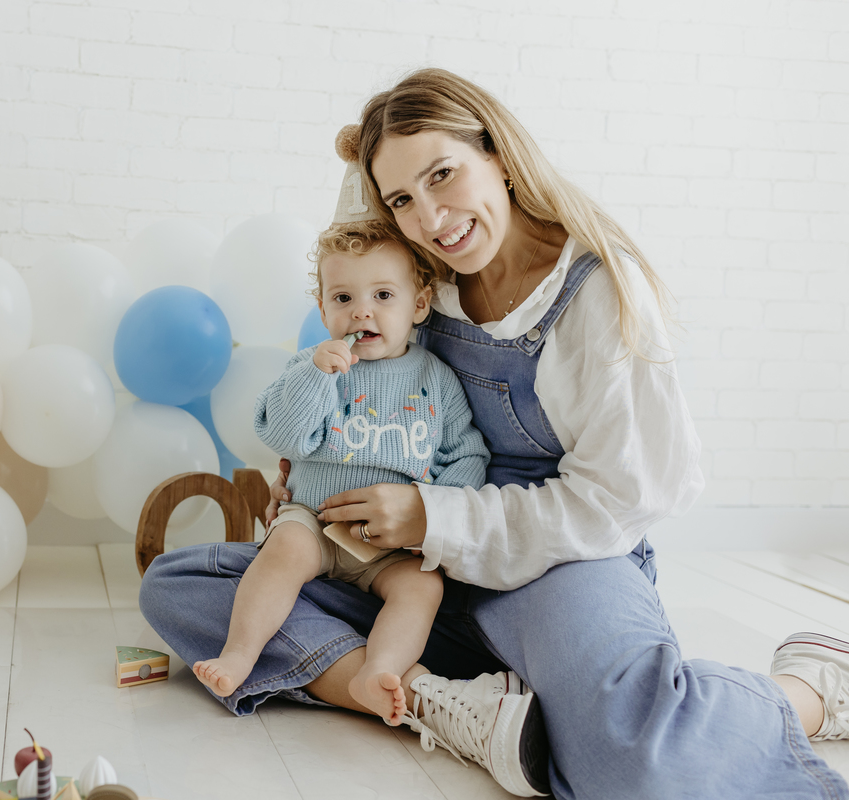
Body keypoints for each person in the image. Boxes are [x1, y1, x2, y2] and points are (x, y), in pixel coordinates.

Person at [140, 68, 849, 799]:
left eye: (444, 175)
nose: (432, 218)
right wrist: (318, 463)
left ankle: (807, 690)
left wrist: (430, 515)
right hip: (415, 566)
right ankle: (433, 697)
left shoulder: (597, 292)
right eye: (403, 200)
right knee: (185, 585)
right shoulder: (419, 279)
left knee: (635, 762)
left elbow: (618, 499)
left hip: (555, 556)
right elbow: (354, 286)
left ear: (499, 155)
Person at [192, 209, 490, 727]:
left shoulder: (436, 379)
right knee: (282, 552)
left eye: (383, 296)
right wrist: (314, 376)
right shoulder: (311, 366)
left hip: (391, 546)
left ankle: (377, 671)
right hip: (314, 521)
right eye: (343, 298)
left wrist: (433, 519)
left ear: (419, 305)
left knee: (424, 588)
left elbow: (466, 457)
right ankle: (240, 653)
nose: (361, 313)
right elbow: (281, 435)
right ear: (324, 308)